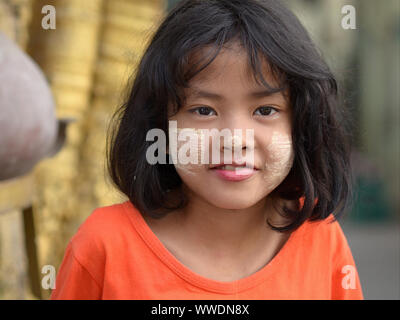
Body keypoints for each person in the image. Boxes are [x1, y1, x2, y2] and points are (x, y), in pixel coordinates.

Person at [50, 0, 363, 300]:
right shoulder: (104, 245)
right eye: (203, 111)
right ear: (160, 124)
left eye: (265, 110)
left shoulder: (322, 240)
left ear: (302, 124)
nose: (234, 139)